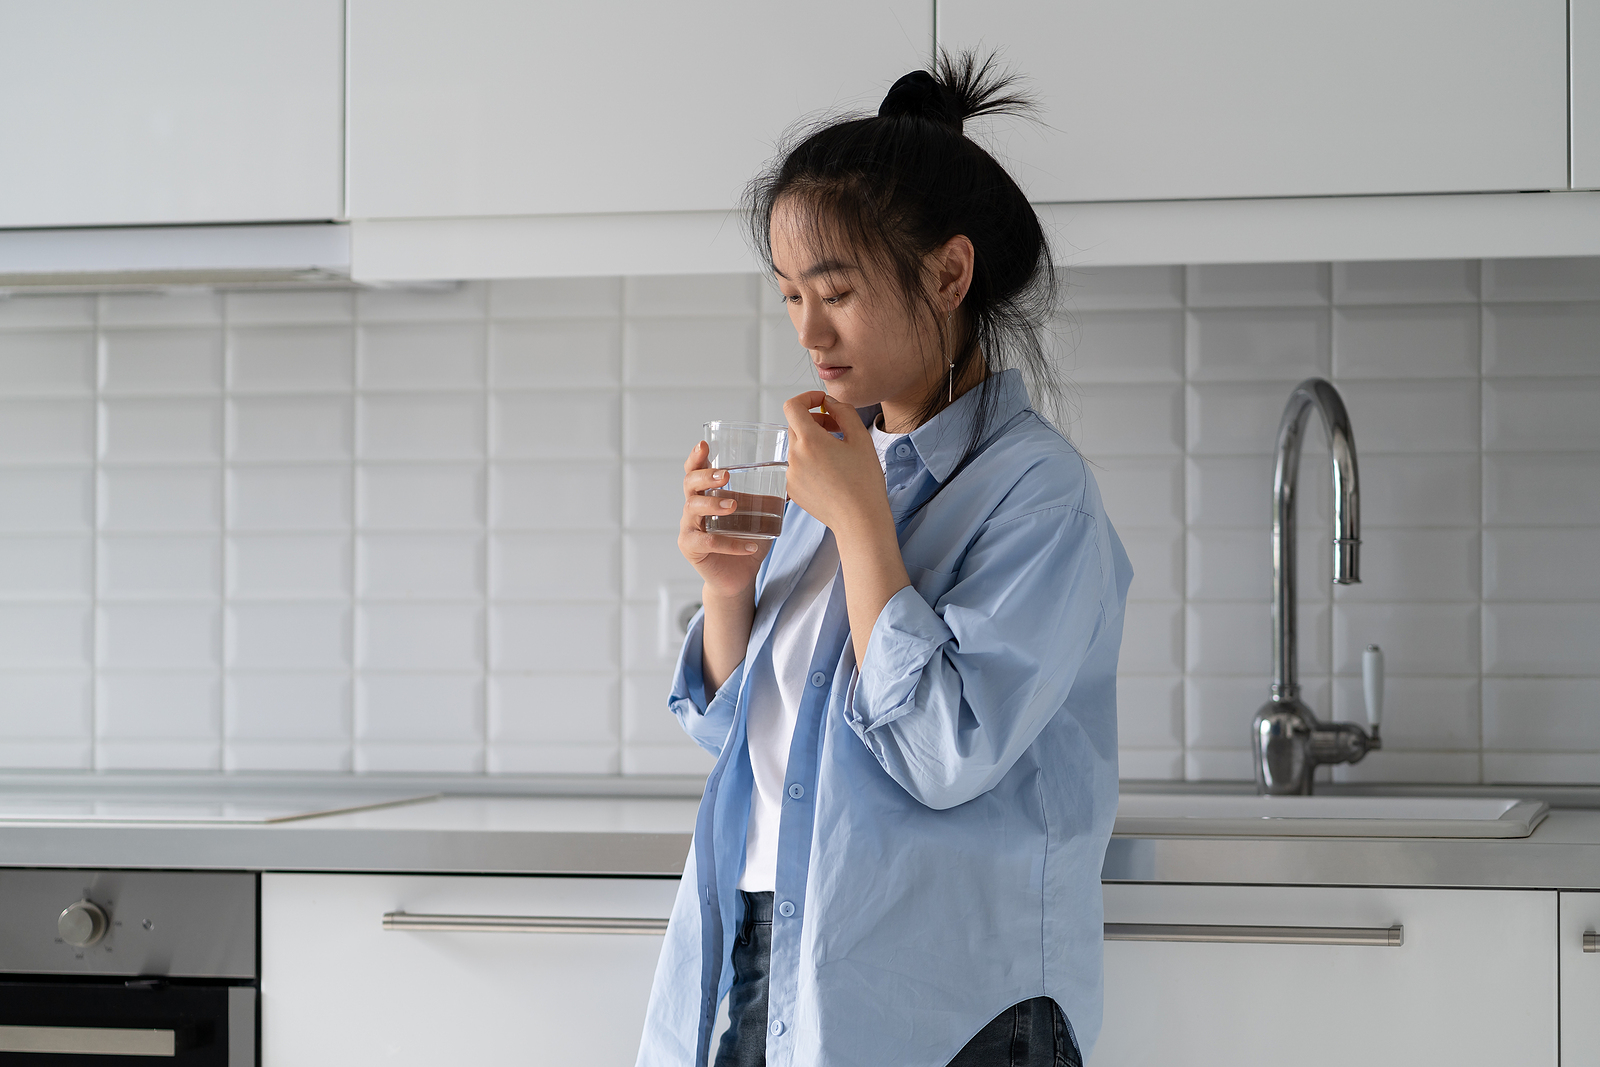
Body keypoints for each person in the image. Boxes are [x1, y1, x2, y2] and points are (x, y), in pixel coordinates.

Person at [637, 51, 1132, 1067]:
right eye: (789, 296)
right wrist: (728, 589)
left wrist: (864, 526)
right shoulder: (837, 465)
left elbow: (942, 754)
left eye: (836, 291)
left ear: (948, 275)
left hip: (952, 1001)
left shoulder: (1038, 494)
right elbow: (750, 742)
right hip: (772, 953)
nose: (808, 331)